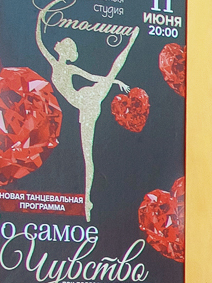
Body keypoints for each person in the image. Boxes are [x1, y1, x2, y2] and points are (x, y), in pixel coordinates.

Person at [38, 26, 140, 225]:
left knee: (88, 156)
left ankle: (87, 200)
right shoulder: (55, 64)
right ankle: (87, 200)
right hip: (84, 101)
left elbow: (93, 77)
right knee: (87, 156)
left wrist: (114, 82)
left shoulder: (69, 68)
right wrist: (41, 18)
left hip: (87, 103)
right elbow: (40, 43)